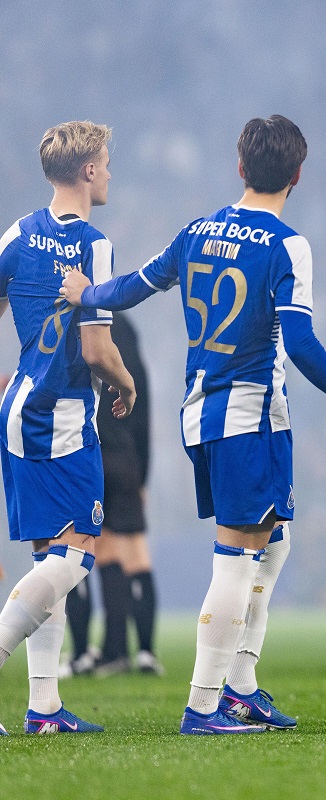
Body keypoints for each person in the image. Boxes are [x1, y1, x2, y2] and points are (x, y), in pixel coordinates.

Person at [61, 115, 326, 735]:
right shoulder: (288, 245)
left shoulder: (198, 231)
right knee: (237, 560)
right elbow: (301, 342)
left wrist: (87, 293)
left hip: (200, 414)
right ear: (297, 176)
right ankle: (204, 705)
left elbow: (132, 288)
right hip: (249, 418)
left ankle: (241, 687)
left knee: (273, 541)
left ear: (240, 167)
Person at [0, 121, 137, 735]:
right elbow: (97, 350)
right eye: (105, 162)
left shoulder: (17, 233)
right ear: (87, 170)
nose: (109, 172)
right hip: (61, 416)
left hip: (19, 408)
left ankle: (45, 707)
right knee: (77, 557)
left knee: (47, 557)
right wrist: (126, 383)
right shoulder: (93, 244)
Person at [65, 311, 163, 677]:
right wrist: (142, 474)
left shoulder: (76, 322)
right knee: (136, 553)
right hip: (127, 458)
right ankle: (147, 652)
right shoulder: (125, 326)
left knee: (98, 550)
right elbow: (144, 401)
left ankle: (108, 650)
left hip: (91, 452)